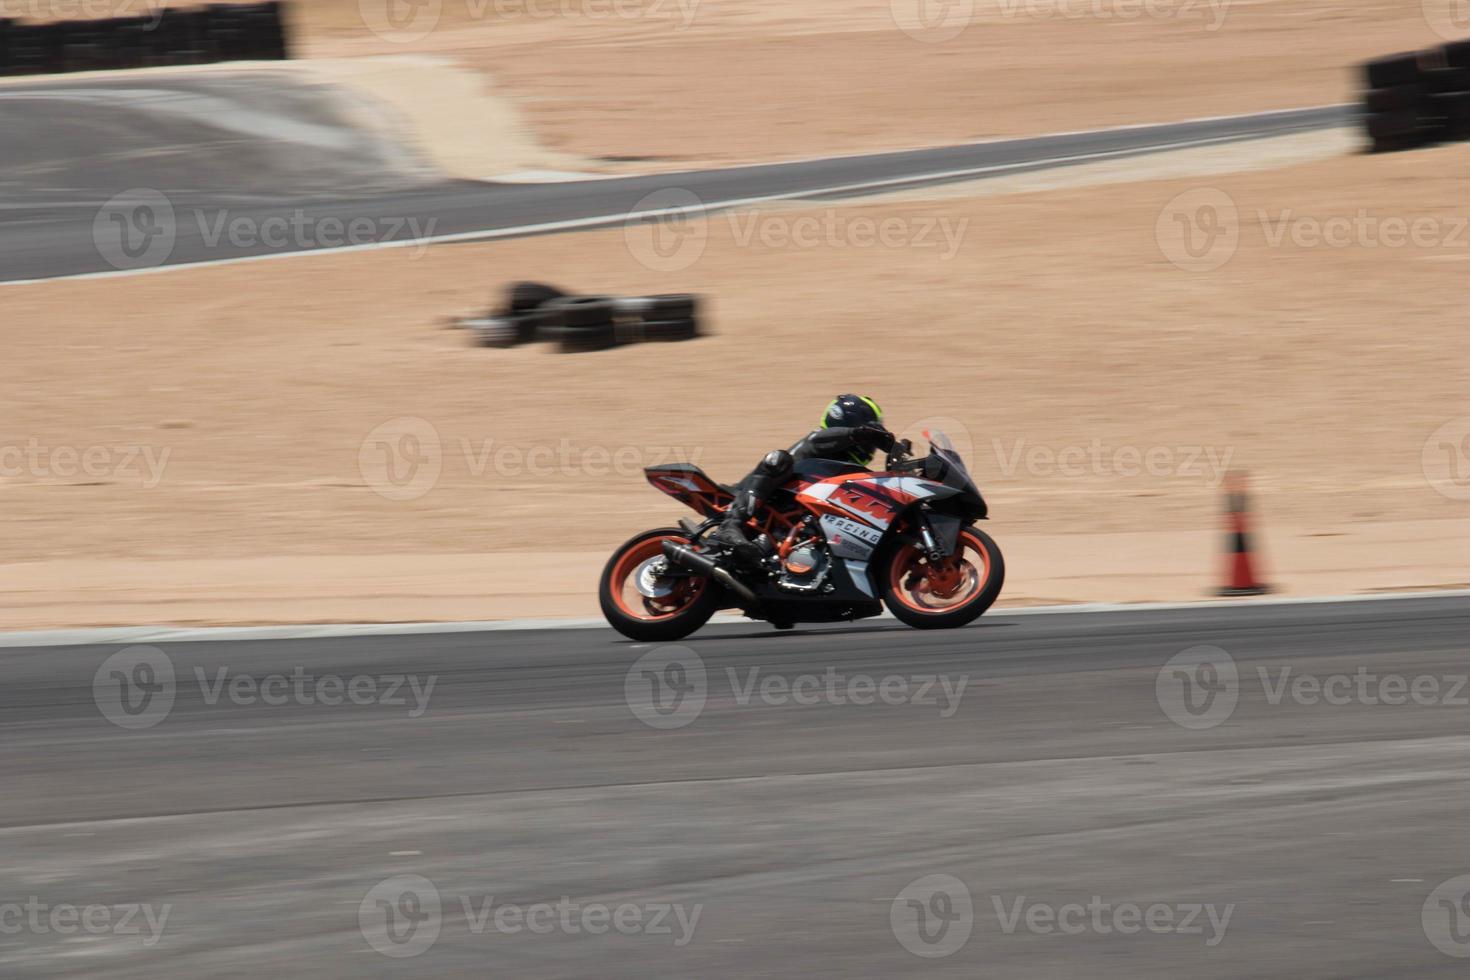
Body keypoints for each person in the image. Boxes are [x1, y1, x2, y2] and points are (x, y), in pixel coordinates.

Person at [713, 394, 896, 564]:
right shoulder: (820, 440)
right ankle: (730, 525)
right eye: (869, 428)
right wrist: (858, 433)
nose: (871, 443)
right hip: (745, 500)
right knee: (779, 459)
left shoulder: (846, 470)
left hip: (784, 527)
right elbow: (819, 440)